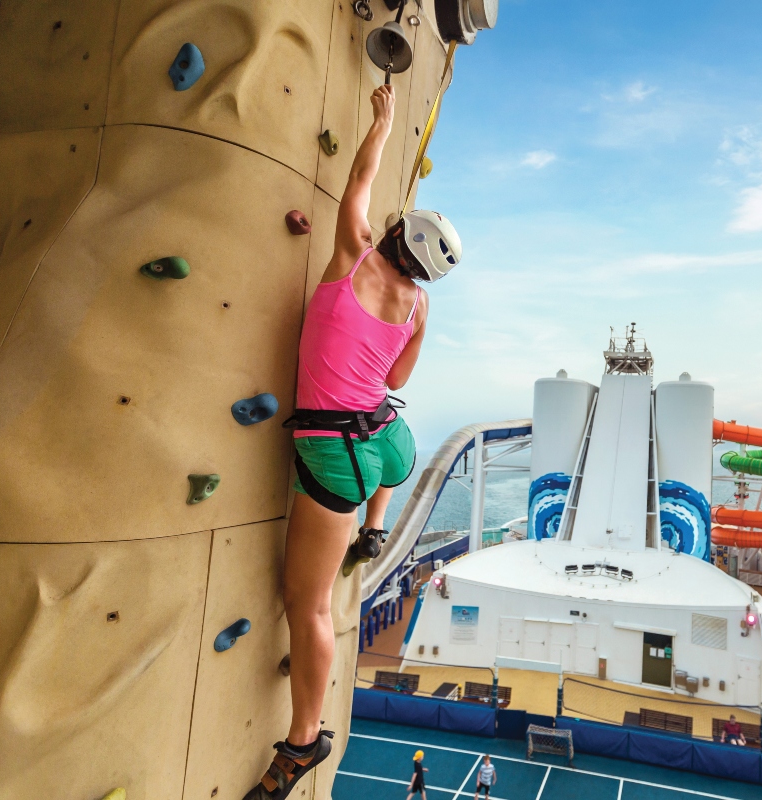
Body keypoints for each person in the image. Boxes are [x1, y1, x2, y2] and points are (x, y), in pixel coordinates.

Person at [243, 84, 463, 800]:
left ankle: (304, 740)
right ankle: (376, 526)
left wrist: (384, 120)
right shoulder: (419, 305)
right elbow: (399, 374)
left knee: (304, 603)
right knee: (395, 450)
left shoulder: (354, 258)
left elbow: (360, 179)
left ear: (396, 238)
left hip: (334, 453)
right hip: (386, 441)